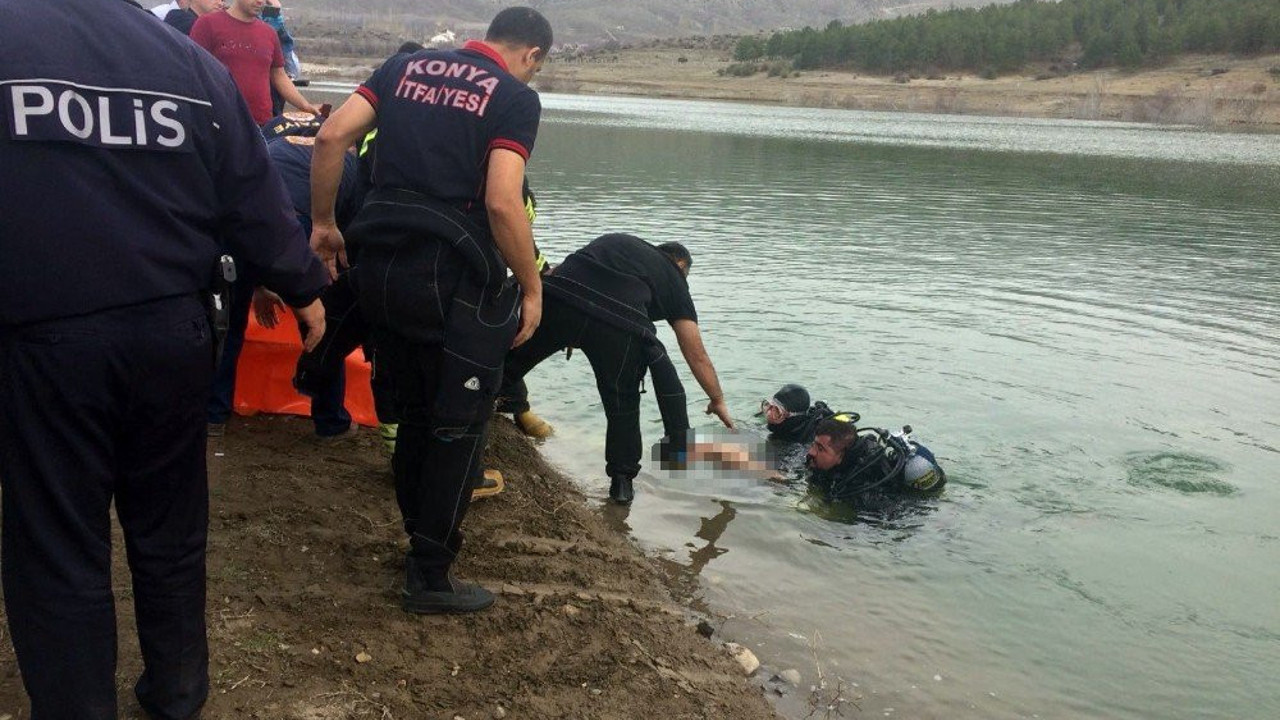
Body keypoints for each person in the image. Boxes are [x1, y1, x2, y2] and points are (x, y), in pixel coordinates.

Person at [0, 1, 329, 718]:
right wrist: (305, 285)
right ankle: (176, 695)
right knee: (170, 531)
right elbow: (254, 198)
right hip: (172, 334)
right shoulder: (188, 65)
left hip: (47, 339)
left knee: (59, 545)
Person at [310, 6, 552, 614]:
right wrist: (531, 286)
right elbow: (502, 202)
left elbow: (330, 136)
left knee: (412, 413)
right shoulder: (513, 97)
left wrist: (323, 224)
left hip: (379, 270)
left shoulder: (402, 66)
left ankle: (416, 540)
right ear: (533, 56)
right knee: (456, 428)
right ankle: (430, 577)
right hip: (448, 281)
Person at [498, 233, 735, 505]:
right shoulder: (675, 281)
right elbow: (697, 354)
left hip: (560, 297)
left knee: (507, 363)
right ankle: (621, 487)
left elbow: (558, 272)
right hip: (620, 328)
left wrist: (570, 327)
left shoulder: (618, 241)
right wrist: (717, 399)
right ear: (680, 265)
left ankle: (475, 410)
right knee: (622, 405)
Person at [190, 0, 320, 125]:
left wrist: (305, 105)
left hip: (261, 122)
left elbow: (279, 76)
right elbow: (193, 71)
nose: (260, 1)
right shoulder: (207, 24)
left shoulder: (269, 33)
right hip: (220, 121)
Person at [804, 416, 947, 507]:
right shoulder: (820, 461)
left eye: (820, 449)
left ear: (841, 456)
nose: (811, 451)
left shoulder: (863, 491)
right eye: (814, 444)